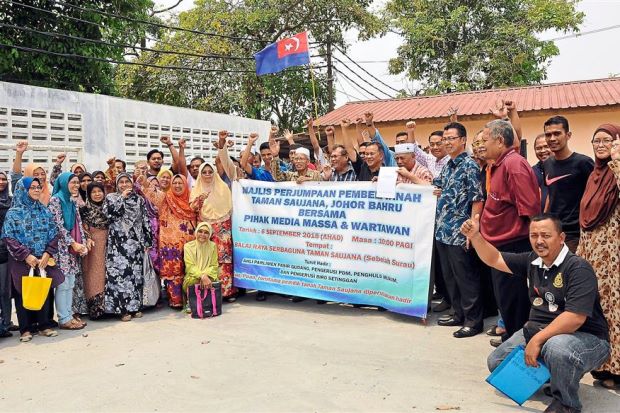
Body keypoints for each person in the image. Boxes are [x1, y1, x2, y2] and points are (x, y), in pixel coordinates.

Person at [461, 213, 610, 413]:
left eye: (546, 235)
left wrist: (537, 340)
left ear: (561, 238)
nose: (539, 241)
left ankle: (566, 404)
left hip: (586, 338)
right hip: (540, 330)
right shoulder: (532, 260)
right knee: (497, 362)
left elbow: (575, 318)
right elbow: (495, 258)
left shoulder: (578, 268)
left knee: (557, 348)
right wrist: (476, 236)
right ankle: (558, 374)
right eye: (534, 235)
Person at [480, 120, 541, 346]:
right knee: (506, 302)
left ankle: (519, 349)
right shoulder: (499, 164)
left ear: (499, 141)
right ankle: (510, 341)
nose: (482, 144)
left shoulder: (514, 165)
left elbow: (531, 209)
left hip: (513, 246)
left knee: (515, 304)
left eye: (486, 139)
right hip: (498, 246)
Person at [577, 124, 620, 389]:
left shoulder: (615, 172)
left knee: (615, 311)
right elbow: (586, 217)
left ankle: (617, 369)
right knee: (598, 309)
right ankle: (602, 366)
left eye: (608, 140)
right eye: (597, 141)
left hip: (614, 256)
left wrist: (618, 162)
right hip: (593, 253)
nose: (601, 145)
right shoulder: (595, 174)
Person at [433, 122, 484, 338]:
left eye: (451, 138)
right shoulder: (448, 165)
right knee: (450, 277)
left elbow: (477, 198)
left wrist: (473, 229)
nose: (447, 142)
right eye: (444, 139)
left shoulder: (469, 165)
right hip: (443, 230)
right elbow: (435, 186)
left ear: (463, 140)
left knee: (466, 278)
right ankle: (458, 313)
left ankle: (473, 321)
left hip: (460, 231)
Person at [1, 178, 64, 342]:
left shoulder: (44, 210)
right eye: (33, 188)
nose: (37, 190)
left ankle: (43, 325)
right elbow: (8, 237)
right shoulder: (13, 213)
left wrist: (48, 253)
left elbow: (54, 233)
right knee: (23, 292)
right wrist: (26, 255)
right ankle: (25, 328)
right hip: (21, 260)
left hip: (42, 258)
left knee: (43, 289)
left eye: (38, 187)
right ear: (23, 190)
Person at [141, 174, 196, 308]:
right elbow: (152, 193)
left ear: (185, 185)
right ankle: (176, 300)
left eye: (180, 183)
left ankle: (192, 299)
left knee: (190, 269)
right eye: (174, 183)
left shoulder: (191, 199)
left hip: (189, 242)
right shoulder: (165, 198)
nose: (177, 186)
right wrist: (144, 182)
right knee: (173, 272)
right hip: (170, 244)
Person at [103, 173, 153, 321]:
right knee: (120, 276)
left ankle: (135, 307)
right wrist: (122, 198)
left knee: (135, 275)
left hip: (135, 242)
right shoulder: (111, 198)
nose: (124, 185)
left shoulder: (139, 200)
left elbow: (145, 219)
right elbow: (108, 215)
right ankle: (122, 310)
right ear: (117, 184)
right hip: (118, 243)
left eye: (127, 182)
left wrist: (147, 240)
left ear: (132, 183)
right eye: (121, 182)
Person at [543, 116, 594, 252]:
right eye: (548, 135)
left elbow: (596, 194)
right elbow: (550, 193)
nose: (552, 138)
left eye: (557, 133)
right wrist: (544, 219)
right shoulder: (547, 164)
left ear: (568, 135)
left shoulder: (583, 163)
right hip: (553, 231)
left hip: (576, 233)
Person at [190, 163, 236, 301]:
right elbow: (192, 208)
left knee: (224, 258)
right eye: (204, 172)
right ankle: (210, 292)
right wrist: (200, 199)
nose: (208, 174)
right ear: (200, 174)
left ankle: (226, 292)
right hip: (205, 228)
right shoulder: (196, 189)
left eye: (210, 171)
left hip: (222, 226)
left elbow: (230, 207)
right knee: (207, 259)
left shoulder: (223, 187)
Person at [49, 172, 89, 330]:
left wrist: (82, 244)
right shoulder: (55, 200)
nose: (76, 185)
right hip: (61, 248)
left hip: (72, 248)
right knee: (63, 283)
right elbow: (57, 226)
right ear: (64, 184)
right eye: (72, 182)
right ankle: (63, 318)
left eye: (77, 182)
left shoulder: (72, 200)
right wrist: (73, 243)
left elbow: (78, 224)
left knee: (71, 283)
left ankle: (69, 315)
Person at [79, 182, 109, 319]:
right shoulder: (85, 210)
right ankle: (96, 309)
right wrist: (88, 238)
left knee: (107, 276)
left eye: (99, 191)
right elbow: (83, 228)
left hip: (109, 246)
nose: (97, 194)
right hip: (93, 247)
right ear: (88, 194)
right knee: (94, 276)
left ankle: (109, 308)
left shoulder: (109, 207)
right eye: (93, 192)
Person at [0, 172, 16, 337]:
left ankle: (6, 322)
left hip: (8, 251)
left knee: (6, 290)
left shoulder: (11, 201)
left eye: (4, 179)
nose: (2, 182)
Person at [183, 222, 219, 292]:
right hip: (193, 277)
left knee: (213, 283)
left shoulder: (213, 246)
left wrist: (205, 276)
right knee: (193, 283)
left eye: (206, 232)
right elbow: (190, 266)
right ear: (196, 232)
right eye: (200, 231)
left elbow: (214, 265)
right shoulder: (188, 246)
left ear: (209, 234)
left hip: (209, 276)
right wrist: (202, 276)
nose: (202, 234)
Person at [532, 134, 551, 212]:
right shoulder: (531, 172)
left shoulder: (562, 169)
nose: (543, 151)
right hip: (539, 217)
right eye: (538, 148)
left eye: (546, 146)